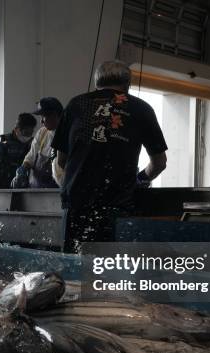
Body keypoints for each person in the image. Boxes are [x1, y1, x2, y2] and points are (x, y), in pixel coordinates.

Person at [53, 60, 168, 253]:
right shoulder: (142, 109)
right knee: (110, 273)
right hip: (117, 207)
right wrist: (141, 178)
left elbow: (61, 161)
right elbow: (159, 163)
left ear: (97, 84)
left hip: (77, 205)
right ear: (127, 85)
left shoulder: (76, 105)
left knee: (75, 270)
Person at [12, 98, 63, 188]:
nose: (41, 121)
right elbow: (31, 156)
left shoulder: (67, 135)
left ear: (54, 115)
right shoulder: (42, 132)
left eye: (44, 117)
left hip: (56, 192)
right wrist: (22, 170)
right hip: (36, 189)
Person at [0, 113, 36, 188]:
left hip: (20, 185)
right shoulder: (3, 139)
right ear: (17, 128)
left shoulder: (32, 143)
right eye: (25, 133)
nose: (27, 136)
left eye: (30, 133)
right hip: (0, 185)